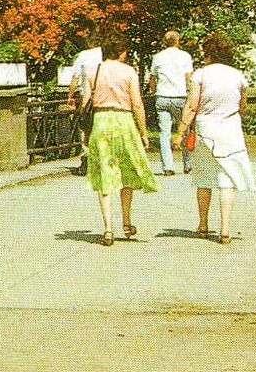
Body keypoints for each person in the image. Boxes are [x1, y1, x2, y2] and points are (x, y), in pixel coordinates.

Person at [173, 32, 255, 244]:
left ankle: (203, 225)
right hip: (230, 130)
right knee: (227, 180)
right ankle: (225, 229)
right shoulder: (238, 76)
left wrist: (181, 132)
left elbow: (192, 105)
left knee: (204, 179)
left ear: (208, 53)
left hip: (205, 130)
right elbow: (242, 107)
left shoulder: (200, 75)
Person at [84, 34, 158, 245]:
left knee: (104, 175)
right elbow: (137, 103)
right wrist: (143, 132)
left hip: (101, 121)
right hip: (124, 121)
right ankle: (126, 221)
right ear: (121, 51)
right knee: (128, 171)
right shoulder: (128, 72)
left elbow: (85, 102)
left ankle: (108, 228)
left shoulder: (93, 71)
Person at [146, 30, 193, 176]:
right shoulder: (185, 56)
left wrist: (153, 91)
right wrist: (191, 92)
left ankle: (168, 167)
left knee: (164, 133)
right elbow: (188, 77)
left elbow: (153, 78)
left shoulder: (158, 57)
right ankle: (188, 164)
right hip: (180, 97)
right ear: (178, 41)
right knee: (184, 130)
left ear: (164, 42)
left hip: (163, 97)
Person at [65, 32, 105, 175]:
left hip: (88, 96)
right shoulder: (107, 55)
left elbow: (76, 78)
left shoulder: (83, 55)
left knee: (86, 127)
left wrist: (70, 95)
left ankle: (87, 159)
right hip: (107, 96)